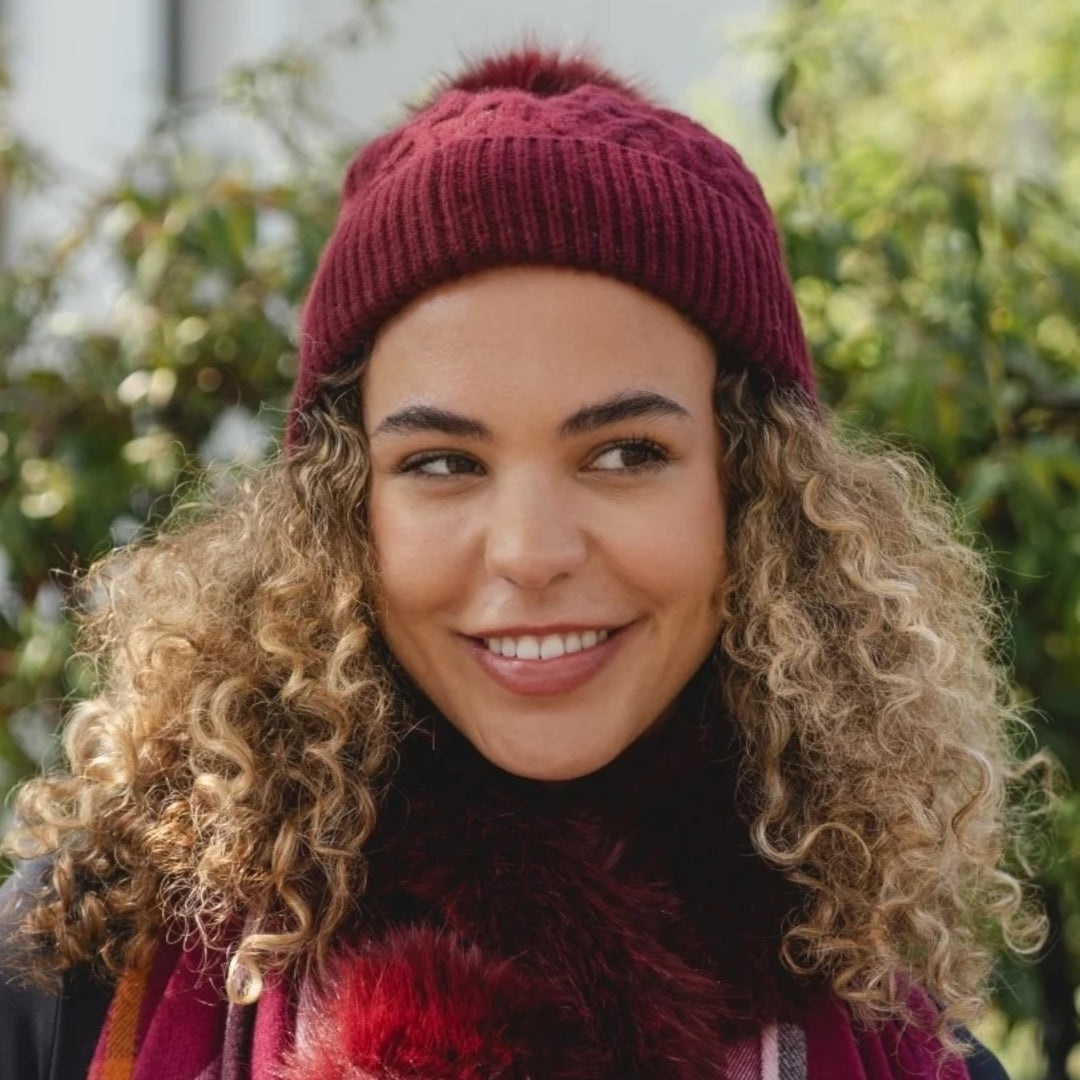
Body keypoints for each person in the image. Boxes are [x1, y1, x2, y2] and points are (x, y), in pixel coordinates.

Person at [0, 45, 1044, 1080]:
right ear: (340, 511)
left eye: (628, 454)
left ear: (756, 496)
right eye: (444, 461)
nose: (533, 553)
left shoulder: (911, 1059)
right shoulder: (78, 978)